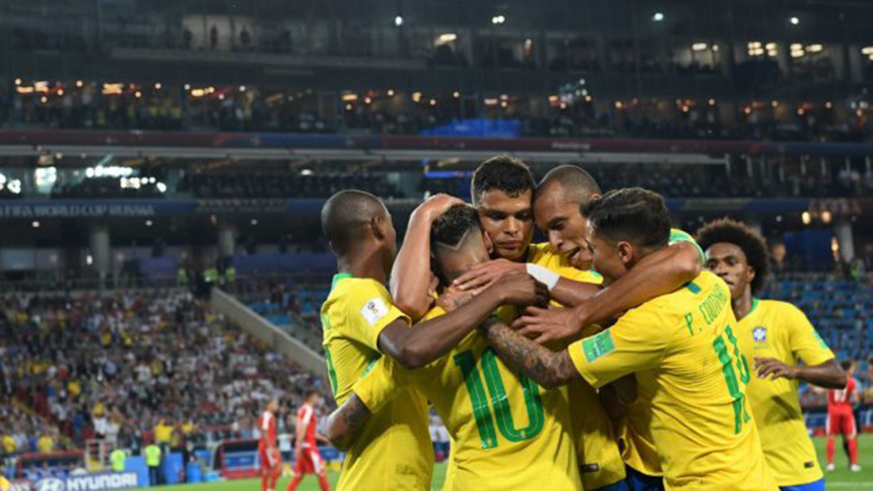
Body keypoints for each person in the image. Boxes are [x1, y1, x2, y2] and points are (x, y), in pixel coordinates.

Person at [475, 188, 778, 490]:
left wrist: (482, 319)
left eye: (594, 249)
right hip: (752, 473)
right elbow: (675, 261)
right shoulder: (708, 283)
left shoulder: (649, 322)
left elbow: (553, 369)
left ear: (624, 252)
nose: (591, 261)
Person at [324, 204, 578, 490]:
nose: (474, 285)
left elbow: (338, 427)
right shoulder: (413, 337)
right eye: (464, 278)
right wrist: (495, 295)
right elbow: (405, 345)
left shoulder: (425, 337)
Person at [698, 217, 846, 490]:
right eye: (712, 265)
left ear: (750, 272)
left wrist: (794, 370)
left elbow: (838, 376)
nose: (721, 270)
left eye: (731, 262)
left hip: (790, 466)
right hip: (735, 471)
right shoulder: (701, 329)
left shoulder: (782, 315)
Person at [286, 391, 330, 491]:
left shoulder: (301, 409)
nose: (318, 399)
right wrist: (299, 444)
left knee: (299, 475)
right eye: (316, 396)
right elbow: (303, 428)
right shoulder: (308, 410)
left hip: (304, 445)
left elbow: (308, 430)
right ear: (311, 397)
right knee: (321, 470)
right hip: (308, 446)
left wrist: (323, 439)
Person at [826, 360, 862, 472]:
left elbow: (825, 392)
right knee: (851, 436)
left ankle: (831, 464)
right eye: (852, 368)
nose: (853, 370)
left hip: (833, 411)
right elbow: (856, 399)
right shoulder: (851, 381)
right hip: (846, 410)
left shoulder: (832, 380)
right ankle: (854, 464)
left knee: (831, 436)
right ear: (849, 369)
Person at [259, 399, 283, 491]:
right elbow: (265, 431)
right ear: (268, 405)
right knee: (278, 467)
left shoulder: (270, 416)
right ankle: (271, 488)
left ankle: (266, 489)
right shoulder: (266, 416)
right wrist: (269, 447)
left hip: (268, 445)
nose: (276, 406)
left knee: (267, 469)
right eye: (275, 404)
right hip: (267, 446)